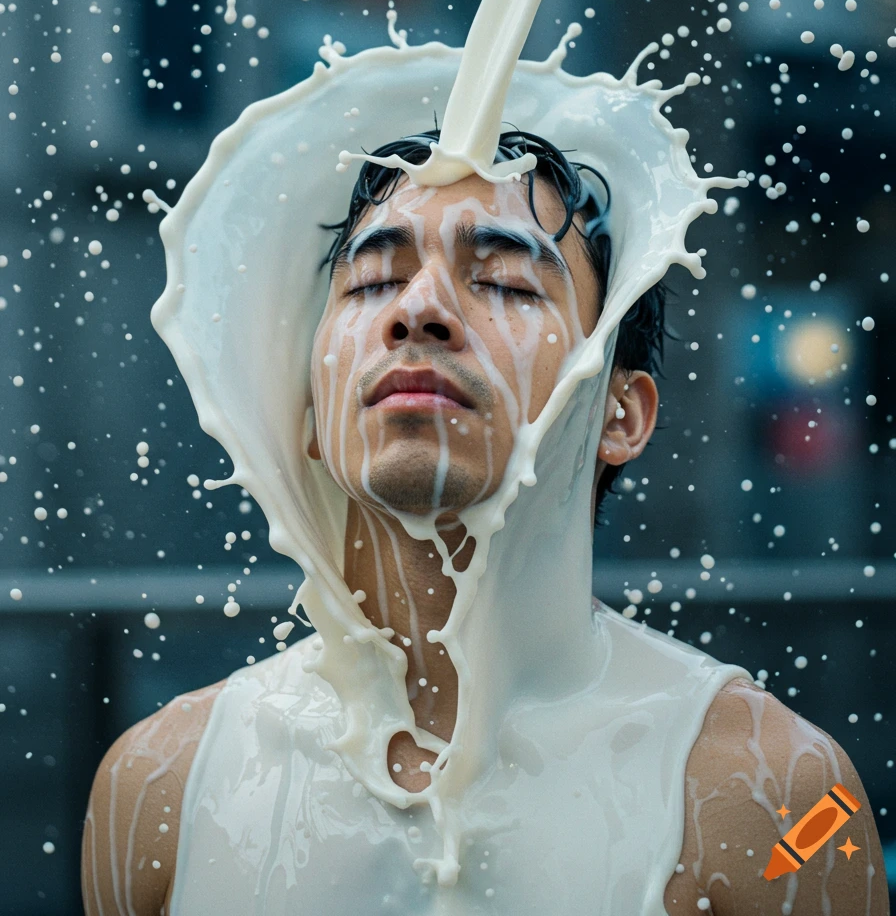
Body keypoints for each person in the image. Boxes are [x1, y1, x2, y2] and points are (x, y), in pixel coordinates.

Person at [82, 131, 889, 916]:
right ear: (308, 414)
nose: (419, 309)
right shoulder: (162, 786)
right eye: (370, 284)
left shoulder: (783, 803)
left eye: (504, 281)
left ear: (621, 411)